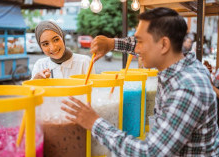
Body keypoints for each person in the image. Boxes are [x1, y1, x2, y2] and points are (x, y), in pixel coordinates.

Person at [61, 7, 219, 156]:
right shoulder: (181, 63)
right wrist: (111, 43)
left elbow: (149, 152)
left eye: (141, 42)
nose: (136, 49)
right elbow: (143, 45)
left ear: (164, 44)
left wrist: (94, 122)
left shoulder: (187, 89)